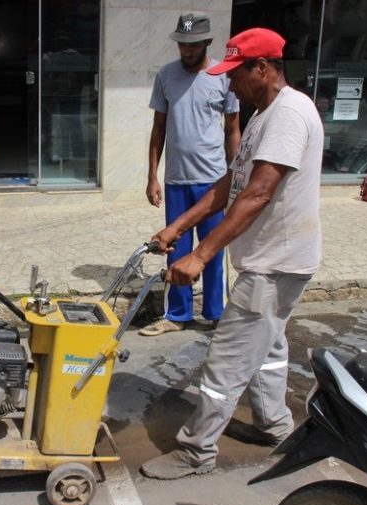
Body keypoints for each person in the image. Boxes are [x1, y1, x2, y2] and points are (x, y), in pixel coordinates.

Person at [141, 27, 324, 479]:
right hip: (271, 261)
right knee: (268, 348)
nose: (229, 84)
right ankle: (275, 424)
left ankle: (196, 451)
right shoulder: (263, 113)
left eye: (236, 75)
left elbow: (259, 193)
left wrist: (200, 256)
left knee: (226, 360)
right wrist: (177, 227)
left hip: (274, 264)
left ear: (262, 67)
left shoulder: (288, 115)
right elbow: (231, 184)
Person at [138, 12, 241, 337]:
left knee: (213, 248)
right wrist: (153, 176)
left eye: (192, 44)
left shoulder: (223, 76)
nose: (185, 50)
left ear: (206, 42)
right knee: (175, 250)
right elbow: (158, 128)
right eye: (181, 44)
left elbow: (233, 129)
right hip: (176, 182)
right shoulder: (166, 76)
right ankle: (177, 314)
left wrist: (235, 173)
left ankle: (216, 314)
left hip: (213, 180)